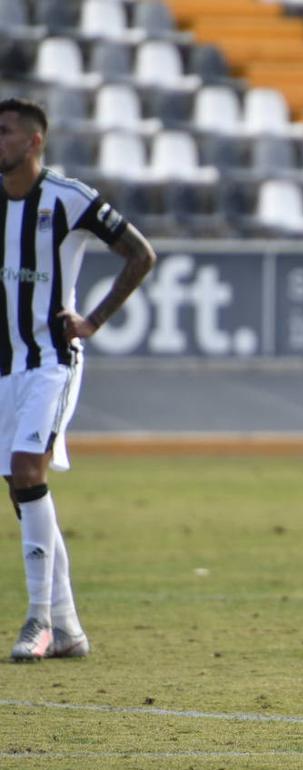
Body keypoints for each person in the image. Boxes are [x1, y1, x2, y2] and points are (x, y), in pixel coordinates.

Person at [0, 97, 156, 660]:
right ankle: (67, 629)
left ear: (33, 142)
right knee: (23, 491)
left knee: (26, 470)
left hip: (52, 360)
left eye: (5, 132)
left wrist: (92, 321)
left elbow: (140, 254)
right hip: (6, 366)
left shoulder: (68, 198)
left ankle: (39, 621)